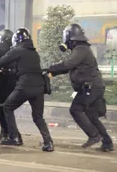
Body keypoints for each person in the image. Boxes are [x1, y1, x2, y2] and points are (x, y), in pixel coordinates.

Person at [46, 23, 114, 152]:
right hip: (94, 86)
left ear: (69, 37)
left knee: (75, 109)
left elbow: (68, 64)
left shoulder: (81, 49)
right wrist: (52, 72)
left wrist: (51, 68)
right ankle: (107, 142)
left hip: (91, 87)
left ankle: (94, 135)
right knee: (92, 115)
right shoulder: (81, 49)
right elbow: (70, 67)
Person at [0, 28, 54, 152]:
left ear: (16, 40)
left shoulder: (17, 50)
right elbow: (24, 68)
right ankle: (48, 142)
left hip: (25, 86)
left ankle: (14, 137)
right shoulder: (34, 52)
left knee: (7, 107)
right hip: (39, 87)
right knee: (38, 116)